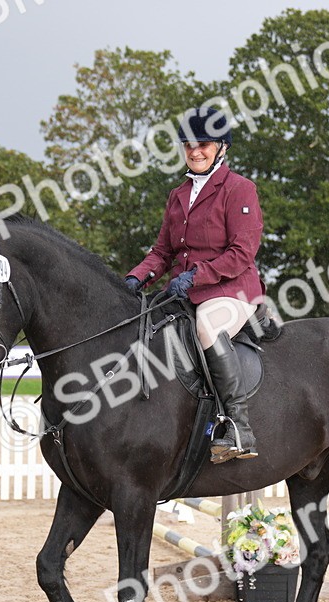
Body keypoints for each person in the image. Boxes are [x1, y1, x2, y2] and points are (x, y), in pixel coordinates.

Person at [125, 106, 264, 463]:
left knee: (207, 326)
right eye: (189, 144)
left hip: (232, 290)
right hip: (185, 291)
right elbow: (162, 252)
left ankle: (238, 426)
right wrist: (136, 277)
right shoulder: (178, 194)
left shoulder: (239, 189)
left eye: (203, 144)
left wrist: (196, 276)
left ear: (222, 147)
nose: (195, 151)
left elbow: (242, 253)